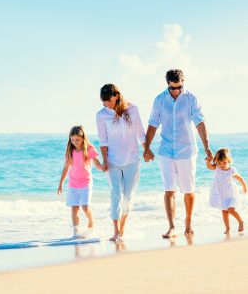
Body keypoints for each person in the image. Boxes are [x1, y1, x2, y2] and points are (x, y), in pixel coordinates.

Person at [143, 69, 213, 238]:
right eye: (172, 88)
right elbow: (153, 124)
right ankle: (172, 227)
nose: (176, 91)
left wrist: (207, 146)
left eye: (179, 87)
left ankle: (188, 224)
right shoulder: (159, 100)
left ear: (183, 83)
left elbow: (200, 122)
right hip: (166, 151)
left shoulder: (191, 98)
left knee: (188, 190)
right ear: (167, 84)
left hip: (187, 151)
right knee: (169, 190)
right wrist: (147, 148)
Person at [96, 84, 146, 242]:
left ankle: (122, 228)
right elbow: (103, 140)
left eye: (109, 101)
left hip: (132, 159)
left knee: (128, 196)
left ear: (116, 95)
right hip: (113, 161)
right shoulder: (101, 115)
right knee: (115, 194)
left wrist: (147, 150)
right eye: (104, 102)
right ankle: (116, 231)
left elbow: (140, 133)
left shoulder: (132, 109)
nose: (107, 104)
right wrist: (104, 161)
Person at [57, 125, 102, 238]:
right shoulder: (70, 151)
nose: (75, 142)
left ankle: (91, 221)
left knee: (85, 207)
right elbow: (66, 168)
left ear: (83, 138)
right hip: (73, 184)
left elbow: (96, 163)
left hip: (86, 182)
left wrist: (103, 167)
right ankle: (76, 233)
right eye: (72, 140)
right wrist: (61, 183)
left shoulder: (89, 149)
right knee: (74, 208)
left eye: (77, 139)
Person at [206, 148, 247, 234]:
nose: (221, 165)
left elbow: (239, 178)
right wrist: (208, 161)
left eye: (224, 162)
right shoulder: (216, 168)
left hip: (230, 194)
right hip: (221, 194)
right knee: (224, 212)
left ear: (229, 161)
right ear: (216, 162)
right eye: (219, 162)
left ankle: (241, 222)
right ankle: (227, 228)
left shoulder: (231, 170)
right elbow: (209, 166)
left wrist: (244, 187)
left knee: (230, 210)